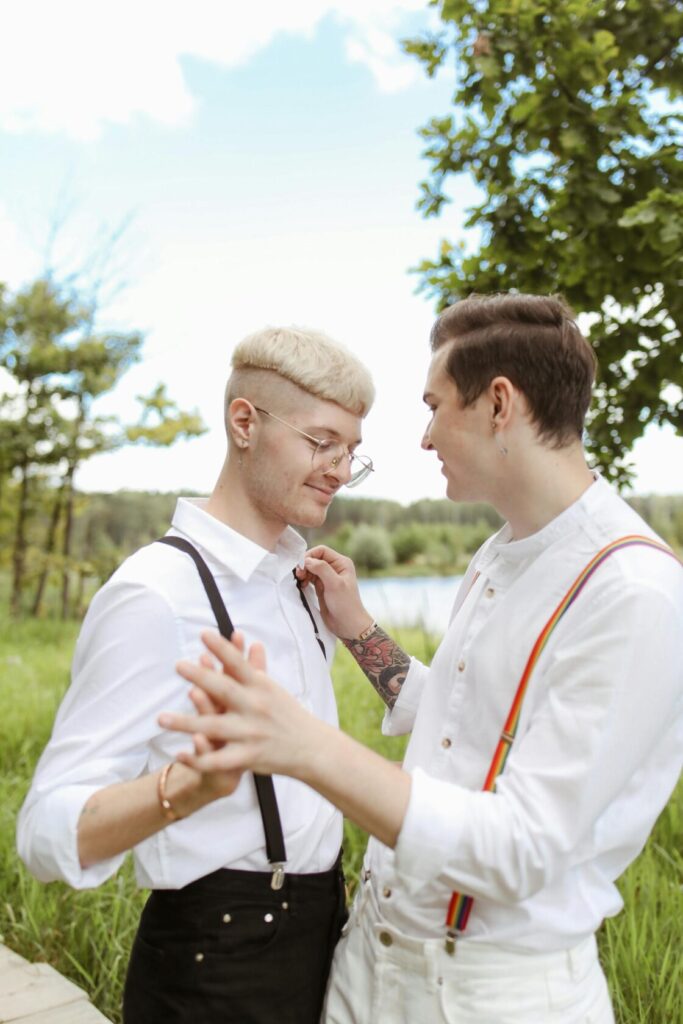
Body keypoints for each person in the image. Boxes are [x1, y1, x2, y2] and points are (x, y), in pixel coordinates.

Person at [161, 293, 683, 1024]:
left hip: (490, 996)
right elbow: (466, 723)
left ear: (499, 404)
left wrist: (306, 748)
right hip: (367, 966)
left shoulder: (634, 593)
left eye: (434, 405)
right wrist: (361, 634)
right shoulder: (500, 550)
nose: (425, 437)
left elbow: (524, 847)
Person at [17, 325, 376, 1024]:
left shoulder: (301, 586)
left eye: (352, 453)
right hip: (214, 967)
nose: (337, 467)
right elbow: (43, 830)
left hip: (317, 943)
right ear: (244, 422)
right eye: (320, 441)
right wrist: (180, 790)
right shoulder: (156, 593)